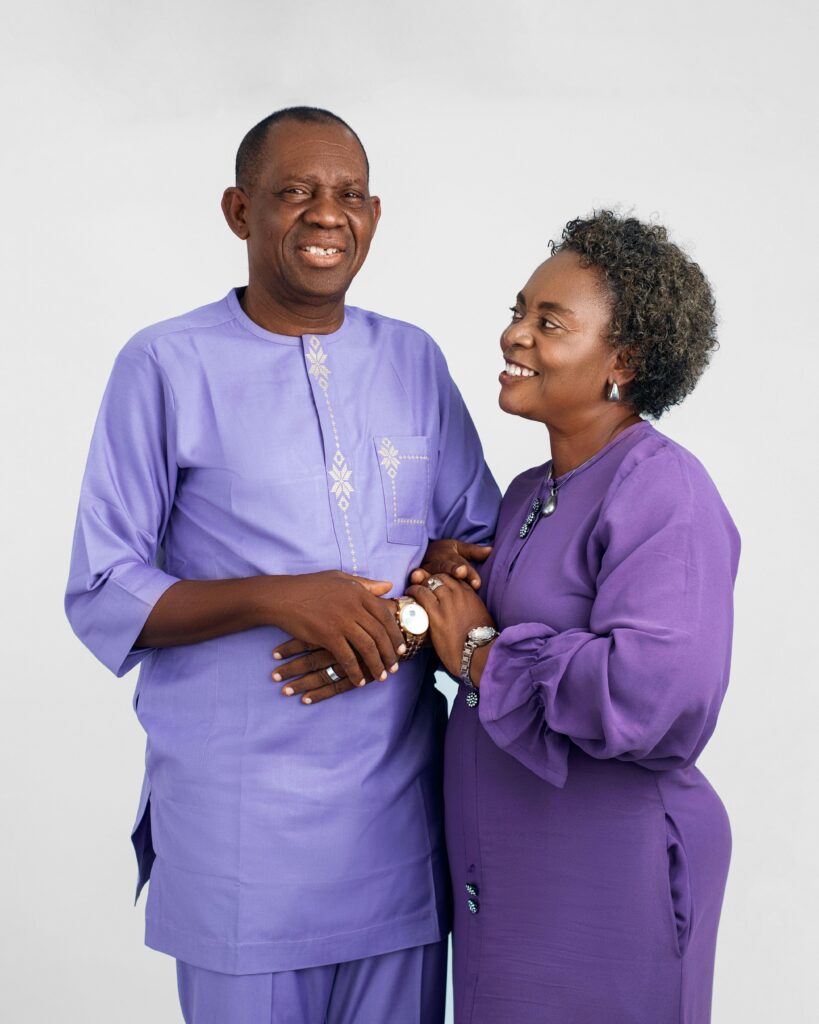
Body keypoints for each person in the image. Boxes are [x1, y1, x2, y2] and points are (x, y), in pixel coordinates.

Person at [65, 106, 500, 1024]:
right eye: (295, 192)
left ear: (373, 216)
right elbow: (103, 585)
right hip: (239, 831)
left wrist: (405, 618)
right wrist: (278, 598)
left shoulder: (412, 360)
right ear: (239, 210)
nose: (325, 215)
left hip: (393, 824)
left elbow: (479, 554)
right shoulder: (165, 365)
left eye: (347, 195)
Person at [406, 211, 740, 1023]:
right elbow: (478, 610)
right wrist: (441, 580)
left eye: (548, 323)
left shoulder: (663, 492)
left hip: (606, 879)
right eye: (518, 310)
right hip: (509, 882)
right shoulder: (527, 491)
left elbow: (653, 693)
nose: (513, 336)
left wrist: (481, 651)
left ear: (621, 362)